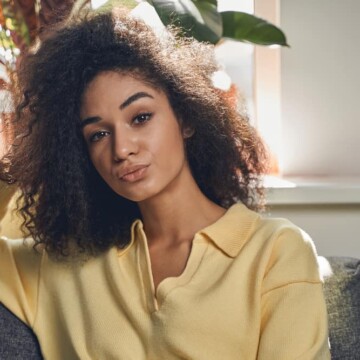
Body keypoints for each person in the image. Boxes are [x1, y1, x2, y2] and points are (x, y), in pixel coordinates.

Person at [0, 8, 330, 359]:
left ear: (186, 117)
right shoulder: (63, 263)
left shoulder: (275, 252)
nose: (122, 149)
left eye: (140, 118)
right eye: (98, 134)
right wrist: (24, 170)